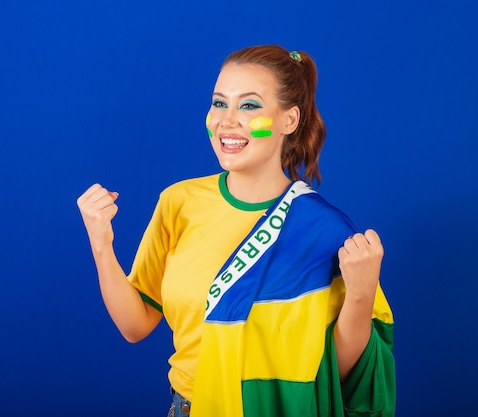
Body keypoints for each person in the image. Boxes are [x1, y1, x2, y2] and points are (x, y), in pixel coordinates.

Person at [77, 45, 395, 417]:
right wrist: (101, 243)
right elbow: (135, 325)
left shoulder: (322, 231)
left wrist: (360, 295)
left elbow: (331, 375)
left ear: (289, 120)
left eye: (248, 106)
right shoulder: (179, 202)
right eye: (218, 103)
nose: (226, 121)